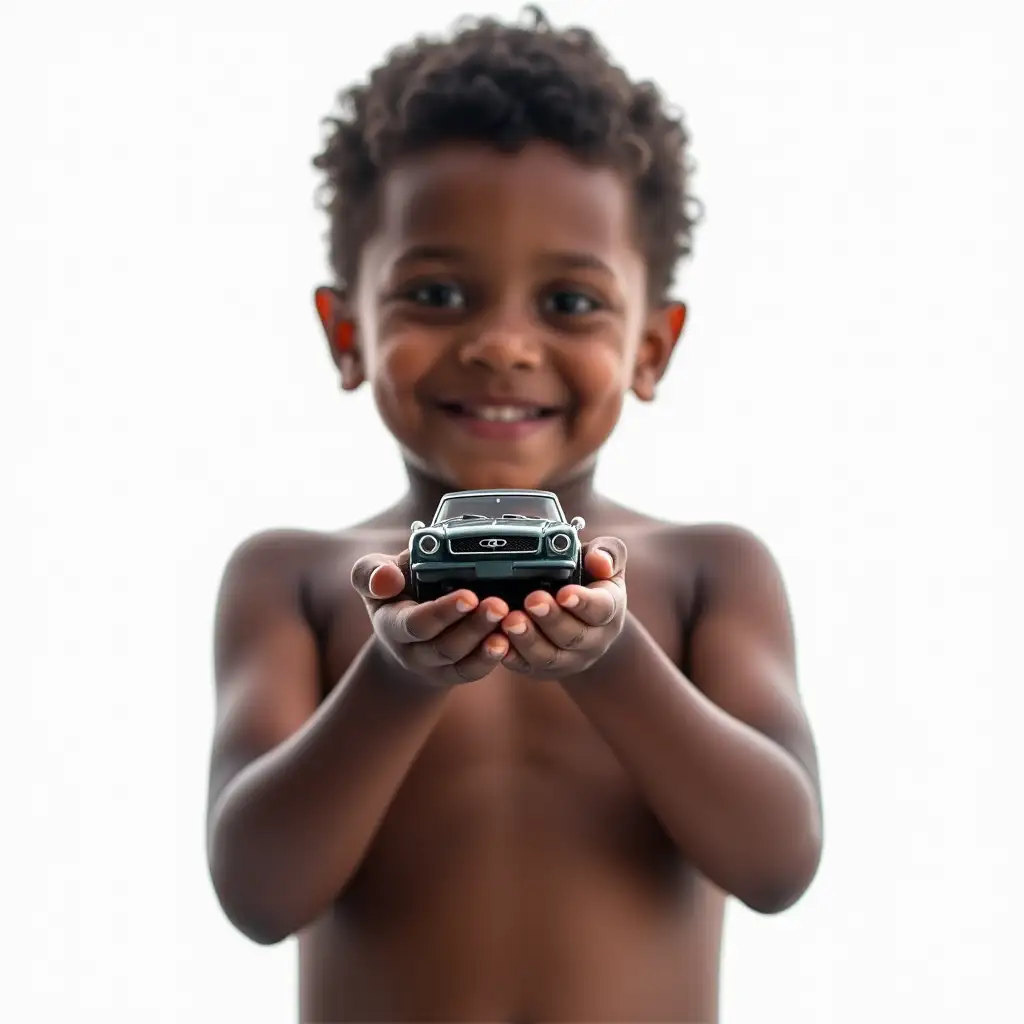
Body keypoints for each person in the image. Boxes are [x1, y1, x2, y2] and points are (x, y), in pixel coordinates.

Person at [205, 7, 824, 1021]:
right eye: (437, 291)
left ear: (651, 349)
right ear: (345, 331)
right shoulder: (298, 579)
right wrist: (396, 678)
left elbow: (778, 857)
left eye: (570, 303)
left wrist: (613, 660)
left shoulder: (712, 572)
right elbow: (259, 890)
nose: (500, 344)